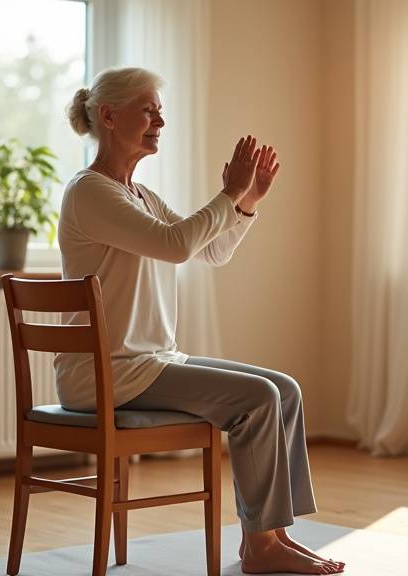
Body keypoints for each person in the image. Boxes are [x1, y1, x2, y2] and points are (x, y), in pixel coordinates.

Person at [56, 67, 344, 575]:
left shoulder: (137, 195)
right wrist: (227, 195)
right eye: (148, 109)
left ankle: (273, 535)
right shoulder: (90, 192)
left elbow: (207, 252)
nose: (159, 119)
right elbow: (176, 245)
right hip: (106, 374)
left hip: (147, 363)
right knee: (259, 399)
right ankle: (260, 548)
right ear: (108, 115)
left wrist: (247, 202)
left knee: (285, 389)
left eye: (159, 110)